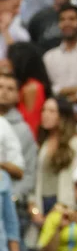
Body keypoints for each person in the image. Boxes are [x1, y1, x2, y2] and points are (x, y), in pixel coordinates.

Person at [32, 97, 77, 219]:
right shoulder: (43, 142)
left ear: (63, 116)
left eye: (51, 111)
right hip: (42, 203)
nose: (45, 115)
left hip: (65, 206)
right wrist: (34, 209)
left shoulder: (76, 143)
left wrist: (69, 209)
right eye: (43, 110)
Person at [0, 72, 37, 202]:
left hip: (8, 201)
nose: (4, 92)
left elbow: (28, 172)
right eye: (0, 87)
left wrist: (14, 197)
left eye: (10, 89)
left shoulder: (23, 130)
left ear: (18, 96)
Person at [7, 41, 51, 138]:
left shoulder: (31, 88)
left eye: (10, 60)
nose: (7, 63)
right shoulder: (25, 85)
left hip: (27, 139)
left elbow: (32, 121)